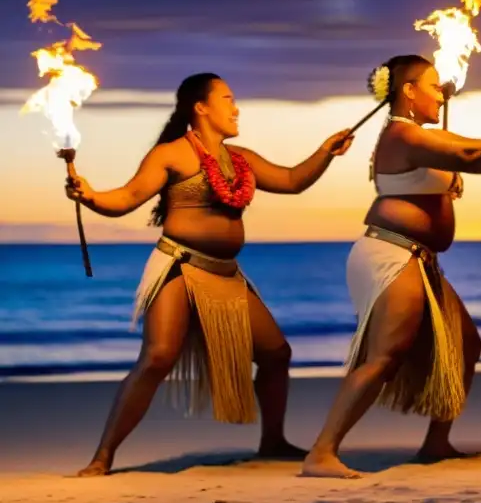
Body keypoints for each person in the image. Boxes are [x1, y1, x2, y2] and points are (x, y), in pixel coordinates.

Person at [65, 72, 354, 476]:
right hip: (180, 268)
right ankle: (103, 457)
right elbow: (127, 198)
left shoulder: (241, 160)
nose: (236, 108)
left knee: (276, 353)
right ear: (200, 107)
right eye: (228, 98)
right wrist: (90, 195)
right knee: (157, 357)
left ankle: (272, 441)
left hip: (226, 274)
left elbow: (292, 181)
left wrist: (325, 152)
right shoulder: (171, 154)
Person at [300, 55, 481, 478]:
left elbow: (459, 156)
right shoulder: (401, 135)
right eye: (431, 86)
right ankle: (321, 452)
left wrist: (447, 182)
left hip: (420, 258)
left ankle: (436, 442)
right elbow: (471, 152)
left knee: (466, 344)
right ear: (407, 90)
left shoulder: (421, 141)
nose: (441, 94)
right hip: (391, 253)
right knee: (384, 356)